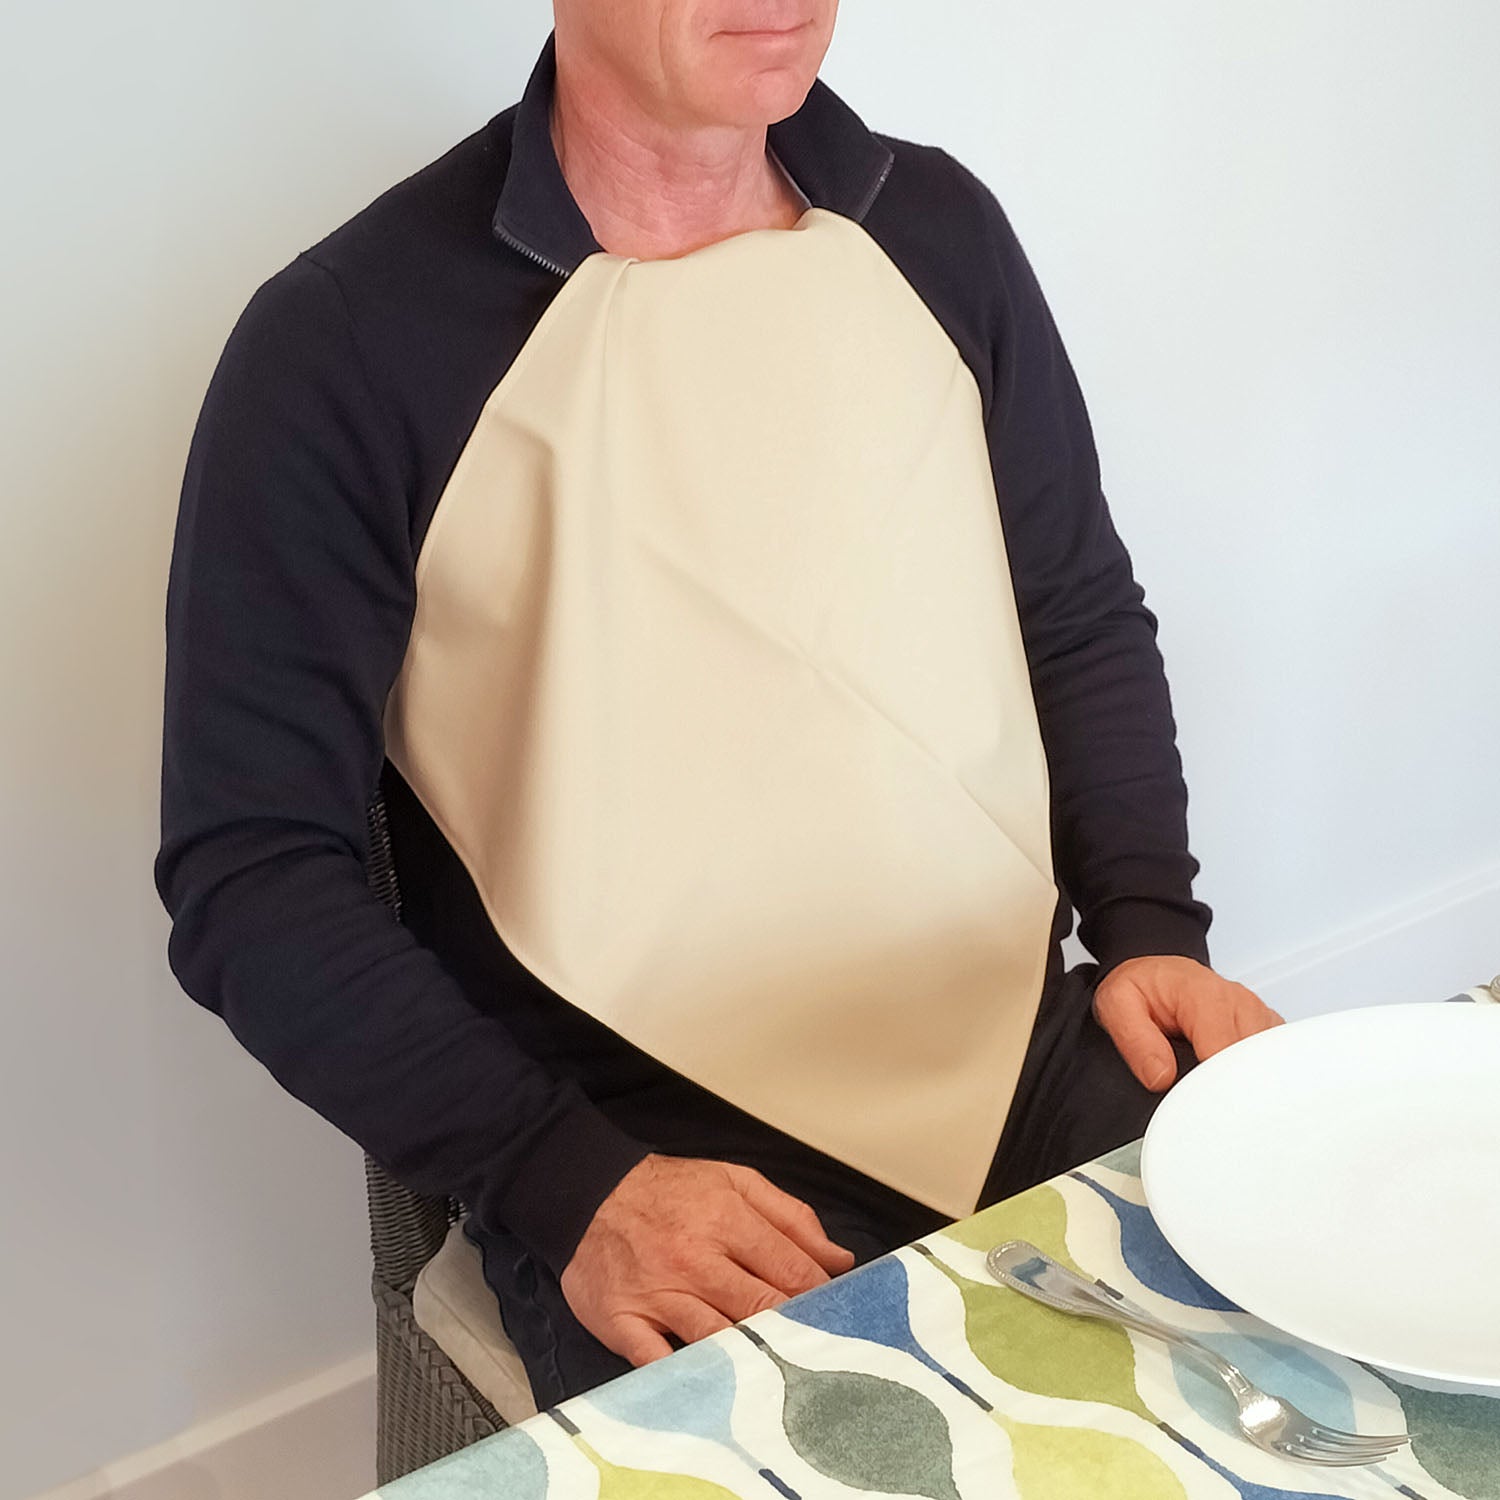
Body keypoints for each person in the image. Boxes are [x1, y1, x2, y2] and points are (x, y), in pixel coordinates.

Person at [155, 1, 1282, 1406]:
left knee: (1363, 1340)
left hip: (1012, 1041)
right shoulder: (347, 339)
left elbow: (1075, 614)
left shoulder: (939, 231)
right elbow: (253, 871)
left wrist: (1150, 925)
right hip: (645, 1142)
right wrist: (561, 1179)